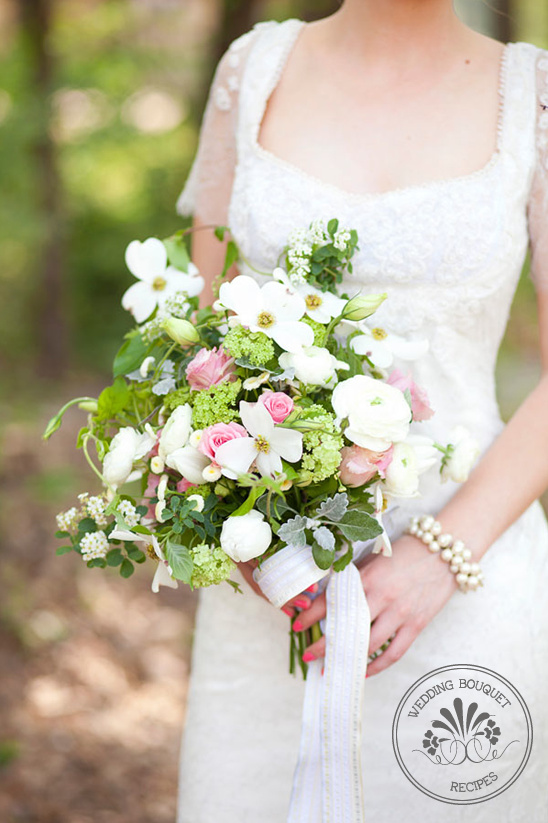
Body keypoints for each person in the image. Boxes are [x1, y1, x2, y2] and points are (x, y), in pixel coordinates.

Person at [175, 2, 548, 820]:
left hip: (468, 578)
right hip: (269, 590)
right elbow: (204, 336)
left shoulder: (533, 97)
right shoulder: (252, 71)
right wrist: (240, 521)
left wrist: (438, 558)